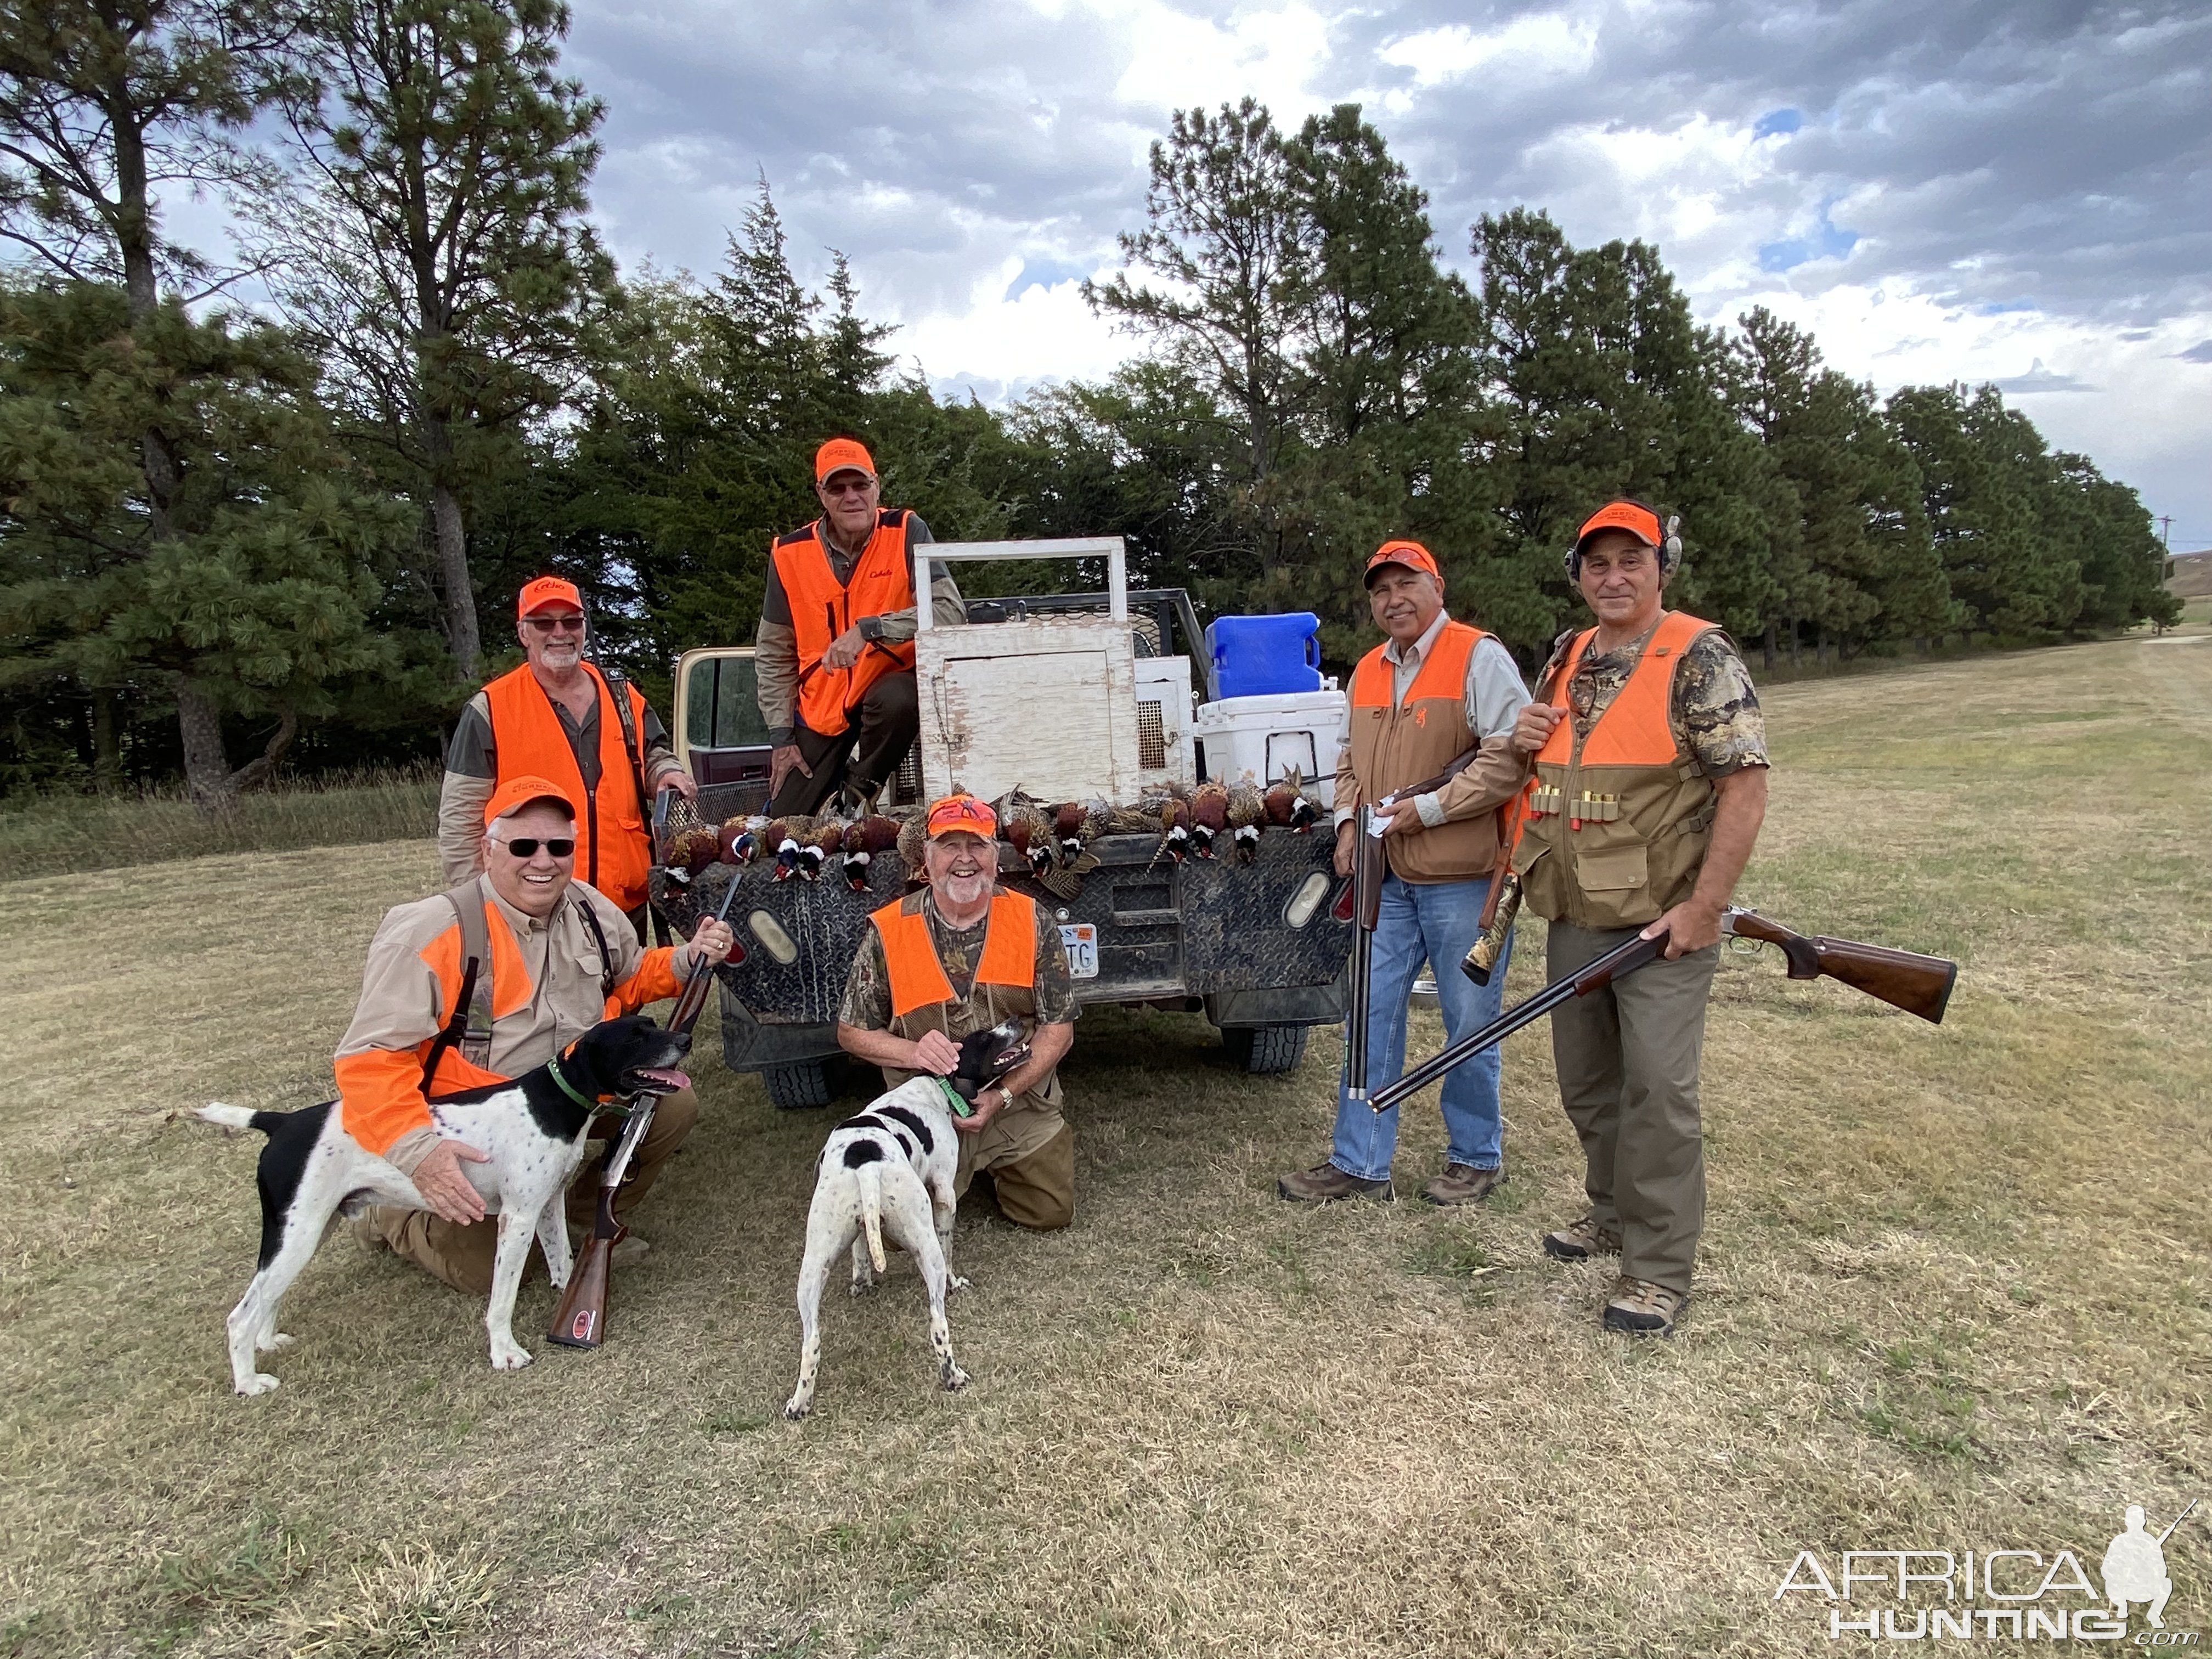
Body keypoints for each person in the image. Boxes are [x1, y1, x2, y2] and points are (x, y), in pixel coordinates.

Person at [1510, 499, 1769, 1338]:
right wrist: (1522, 736)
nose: (1613, 577)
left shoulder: (1701, 655)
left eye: (1632, 560)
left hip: (1662, 922)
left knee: (1659, 1090)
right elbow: (1544, 762)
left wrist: (1705, 907)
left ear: (1664, 567)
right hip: (1578, 907)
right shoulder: (1569, 653)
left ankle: (1657, 1270)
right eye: (1597, 563)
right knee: (1589, 1084)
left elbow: (1744, 787)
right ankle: (1611, 1212)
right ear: (1579, 574)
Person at [342, 775, 735, 1293]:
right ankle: (390, 1217)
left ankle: (575, 1220)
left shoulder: (589, 908)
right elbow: (370, 1059)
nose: (543, 861)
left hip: (572, 1094)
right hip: (479, 1123)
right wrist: (420, 1154)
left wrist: (686, 960)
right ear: (487, 851)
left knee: (671, 1108)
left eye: (559, 846)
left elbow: (632, 973)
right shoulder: (433, 930)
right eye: (524, 846)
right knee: (486, 1273)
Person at [1278, 539, 1532, 1206]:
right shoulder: (1365, 670)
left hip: (1463, 876)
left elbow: (1508, 759)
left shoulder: (1478, 655)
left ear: (1437, 586)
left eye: (1407, 584)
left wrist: (1425, 810)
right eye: (1381, 590)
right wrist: (1345, 825)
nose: (1394, 599)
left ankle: (1475, 1155)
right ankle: (1359, 1161)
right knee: (1370, 1017)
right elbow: (1348, 763)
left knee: (1469, 1018)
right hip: (1384, 879)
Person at [836, 792, 1079, 1229]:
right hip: (925, 1110)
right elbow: (851, 1033)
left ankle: (990, 1164)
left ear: (996, 857)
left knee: (1050, 1213)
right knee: (891, 1232)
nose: (964, 859)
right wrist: (913, 1054)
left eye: (978, 845)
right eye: (950, 845)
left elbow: (1058, 1031)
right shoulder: (888, 932)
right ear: (925, 862)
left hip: (1014, 1103)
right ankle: (959, 1170)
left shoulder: (1032, 919)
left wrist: (1001, 1096)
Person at [437, 576, 696, 939]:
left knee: (627, 994)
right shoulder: (491, 709)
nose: (560, 632)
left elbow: (652, 752)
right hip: (534, 905)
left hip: (621, 903)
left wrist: (666, 774)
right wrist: (478, 906)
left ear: (584, 627)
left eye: (571, 621)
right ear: (523, 633)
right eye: (544, 623)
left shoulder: (621, 695)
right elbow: (460, 820)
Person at [755, 438, 965, 815]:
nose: (851, 496)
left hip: (891, 682)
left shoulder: (906, 531)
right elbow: (774, 654)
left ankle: (856, 795)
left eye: (860, 485)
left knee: (899, 699)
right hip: (822, 702)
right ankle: (823, 800)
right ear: (821, 494)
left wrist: (871, 629)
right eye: (837, 488)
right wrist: (781, 738)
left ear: (877, 486)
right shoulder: (789, 554)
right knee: (783, 823)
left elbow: (949, 611)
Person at [2101, 1505, 2174, 1628]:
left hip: (2143, 1587)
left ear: (2144, 1522)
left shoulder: (2150, 1542)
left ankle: (2154, 1615)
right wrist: (2121, 1571)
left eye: (2138, 1521)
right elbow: (2106, 1568)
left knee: (2166, 1584)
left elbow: (2162, 1570)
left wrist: (2147, 1568)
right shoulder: (2119, 1541)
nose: (2135, 1524)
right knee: (2111, 1584)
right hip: (2121, 1588)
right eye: (2132, 1521)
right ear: (2126, 1522)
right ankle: (2121, 1607)